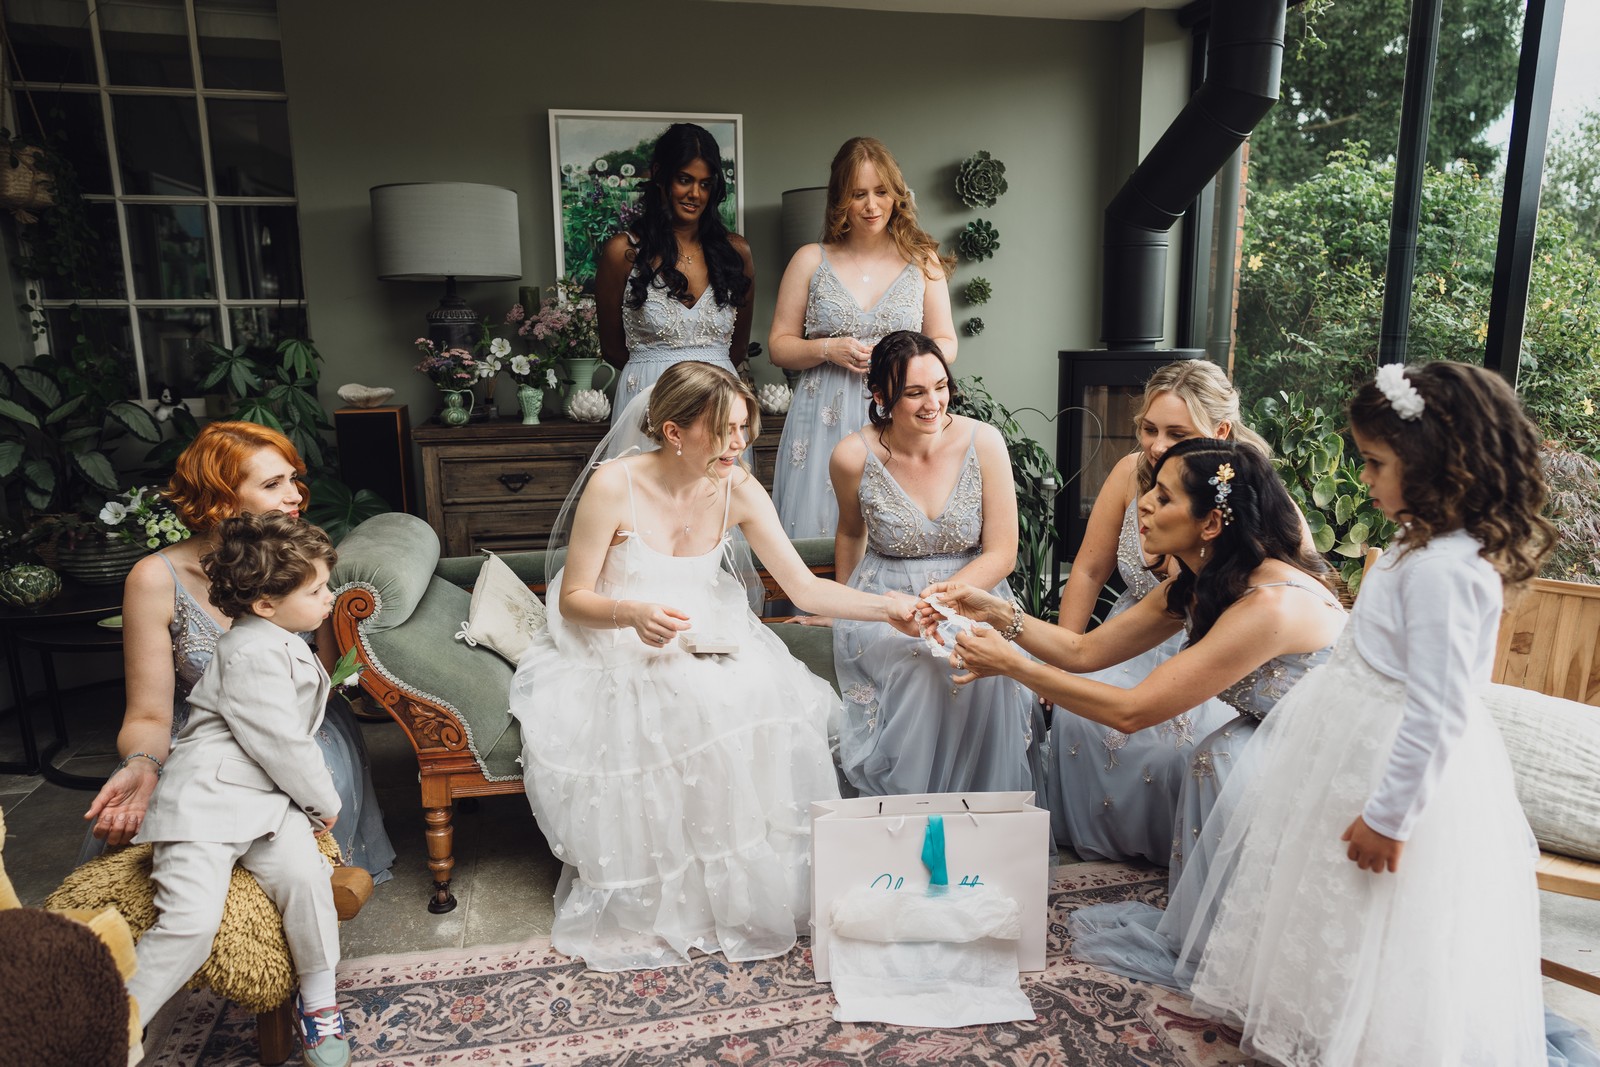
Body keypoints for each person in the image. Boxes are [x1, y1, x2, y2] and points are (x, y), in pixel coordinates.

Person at [1184, 362, 1577, 1066]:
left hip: (1394, 765)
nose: (1363, 477)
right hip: (1353, 743)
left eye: (1375, 462)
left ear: (1433, 465)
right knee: (1331, 901)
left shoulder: (1445, 569)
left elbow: (1439, 707)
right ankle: (1326, 1028)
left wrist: (1390, 818)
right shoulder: (1417, 541)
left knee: (1383, 918)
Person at [508, 360, 917, 972]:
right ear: (674, 431)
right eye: (724, 430)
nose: (738, 443)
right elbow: (573, 599)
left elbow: (804, 588)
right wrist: (631, 613)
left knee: (758, 693)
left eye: (744, 428)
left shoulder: (739, 487)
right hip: (613, 631)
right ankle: (678, 897)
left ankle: (749, 890)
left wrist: (890, 609)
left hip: (707, 625)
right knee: (684, 699)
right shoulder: (614, 485)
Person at [923, 437, 1346, 903]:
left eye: (1164, 497)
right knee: (1221, 753)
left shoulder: (1269, 605)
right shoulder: (1199, 584)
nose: (1143, 503)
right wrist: (999, 614)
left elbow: (1133, 711)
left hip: (1325, 752)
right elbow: (1082, 651)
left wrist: (1012, 666)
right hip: (1269, 727)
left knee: (1223, 756)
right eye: (1151, 489)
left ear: (1210, 523)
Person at [83, 422, 395, 885]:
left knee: (287, 821)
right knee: (171, 847)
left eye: (293, 479)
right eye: (273, 484)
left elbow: (326, 680)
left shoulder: (303, 560)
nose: (295, 496)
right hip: (195, 737)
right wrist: (143, 765)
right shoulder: (154, 578)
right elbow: (148, 716)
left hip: (296, 728)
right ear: (221, 498)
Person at [127, 512, 352, 1067]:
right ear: (266, 604)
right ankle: (115, 1021)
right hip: (206, 802)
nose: (329, 598)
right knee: (190, 921)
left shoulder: (279, 639)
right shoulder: (250, 652)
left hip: (266, 805)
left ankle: (320, 1002)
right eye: (316, 591)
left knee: (307, 884)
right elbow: (281, 743)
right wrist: (324, 802)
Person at [1049, 360, 1269, 863]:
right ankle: (1096, 848)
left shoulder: (1246, 490)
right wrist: (1061, 661)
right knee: (1075, 715)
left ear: (1220, 432)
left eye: (1177, 433)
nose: (1156, 445)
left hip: (1211, 640)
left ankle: (1174, 855)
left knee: (1176, 745)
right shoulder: (1130, 473)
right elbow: (1089, 569)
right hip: (1131, 629)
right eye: (1149, 429)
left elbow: (1289, 581)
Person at [829, 330, 1035, 795]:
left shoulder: (984, 442)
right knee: (921, 664)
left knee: (980, 659)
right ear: (880, 396)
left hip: (974, 591)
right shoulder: (852, 456)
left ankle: (982, 813)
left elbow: (1002, 551)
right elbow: (851, 533)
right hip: (888, 597)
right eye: (915, 393)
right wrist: (844, 609)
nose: (933, 404)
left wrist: (940, 605)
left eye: (941, 386)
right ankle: (910, 810)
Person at [769, 136, 957, 539]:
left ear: (897, 195)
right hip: (823, 413)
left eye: (881, 192)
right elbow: (779, 346)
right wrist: (827, 348)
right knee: (822, 526)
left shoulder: (922, 262)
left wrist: (902, 363)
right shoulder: (809, 260)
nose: (872, 206)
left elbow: (946, 342)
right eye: (859, 194)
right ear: (841, 199)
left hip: (897, 407)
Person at [594, 123, 753, 426]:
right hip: (649, 402)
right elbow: (612, 349)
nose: (695, 194)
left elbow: (739, 347)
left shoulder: (736, 252)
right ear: (659, 175)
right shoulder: (622, 252)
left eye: (705, 184)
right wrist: (655, 372)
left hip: (719, 404)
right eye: (684, 180)